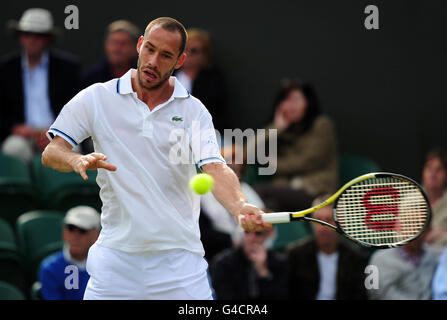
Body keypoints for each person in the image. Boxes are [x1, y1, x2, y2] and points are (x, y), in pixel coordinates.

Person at [41, 17, 271, 300]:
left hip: (179, 265)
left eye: (165, 55)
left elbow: (213, 167)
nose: (153, 61)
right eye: (149, 49)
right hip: (115, 262)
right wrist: (74, 160)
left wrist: (238, 205)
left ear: (179, 61)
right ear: (139, 46)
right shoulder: (96, 98)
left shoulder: (193, 111)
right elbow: (52, 152)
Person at [0, 8, 81, 163]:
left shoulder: (68, 68)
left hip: (58, 134)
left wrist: (58, 131)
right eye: (27, 34)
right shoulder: (6, 68)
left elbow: (77, 108)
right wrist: (14, 128)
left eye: (38, 35)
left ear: (48, 38)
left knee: (72, 150)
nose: (32, 39)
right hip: (20, 137)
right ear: (20, 37)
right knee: (12, 149)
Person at [250, 79, 338, 213]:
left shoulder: (322, 125)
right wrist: (276, 128)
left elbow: (306, 162)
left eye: (296, 100)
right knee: (267, 206)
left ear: (308, 103)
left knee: (257, 193)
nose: (291, 106)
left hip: (315, 192)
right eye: (286, 100)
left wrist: (275, 165)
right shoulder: (282, 128)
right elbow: (247, 152)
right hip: (283, 191)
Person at [286, 196, 368, 300]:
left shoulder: (355, 258)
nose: (322, 226)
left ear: (340, 223)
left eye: (328, 220)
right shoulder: (295, 255)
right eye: (318, 220)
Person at [200, 144, 266, 261]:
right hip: (214, 253)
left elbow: (262, 221)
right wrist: (232, 240)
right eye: (227, 163)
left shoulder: (246, 190)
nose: (232, 165)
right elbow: (204, 234)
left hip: (248, 252)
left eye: (235, 167)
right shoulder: (202, 195)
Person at [174, 28, 229, 134]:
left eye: (193, 51)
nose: (187, 54)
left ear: (204, 55)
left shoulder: (213, 79)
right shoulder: (168, 75)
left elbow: (215, 113)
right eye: (184, 49)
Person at [39, 206, 101, 300]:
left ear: (96, 235)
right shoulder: (50, 268)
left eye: (82, 230)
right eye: (71, 228)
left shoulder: (106, 266)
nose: (75, 236)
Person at [209, 228, 287, 300]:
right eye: (247, 231)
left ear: (268, 236)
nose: (251, 237)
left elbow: (281, 295)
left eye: (258, 233)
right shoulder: (223, 263)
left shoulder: (277, 263)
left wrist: (263, 271)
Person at [368, 228, 441, 300]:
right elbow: (379, 293)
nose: (412, 232)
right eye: (407, 225)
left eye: (417, 227)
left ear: (428, 230)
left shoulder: (437, 254)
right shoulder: (379, 258)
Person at [82, 20, 140, 88]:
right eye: (113, 42)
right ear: (106, 46)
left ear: (136, 48)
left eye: (124, 43)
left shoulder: (143, 76)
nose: (117, 48)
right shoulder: (91, 78)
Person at [422, 147, 447, 246]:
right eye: (429, 168)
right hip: (411, 259)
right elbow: (400, 235)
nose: (433, 174)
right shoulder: (409, 198)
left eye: (439, 169)